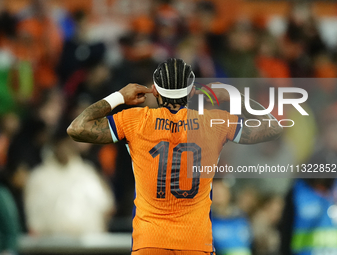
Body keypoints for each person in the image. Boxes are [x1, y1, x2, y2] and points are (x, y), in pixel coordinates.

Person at [67, 58, 283, 255]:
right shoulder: (214, 123)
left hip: (149, 242)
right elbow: (273, 127)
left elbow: (76, 128)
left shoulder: (135, 121)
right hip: (196, 243)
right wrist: (231, 95)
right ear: (190, 93)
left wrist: (118, 97)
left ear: (155, 90)